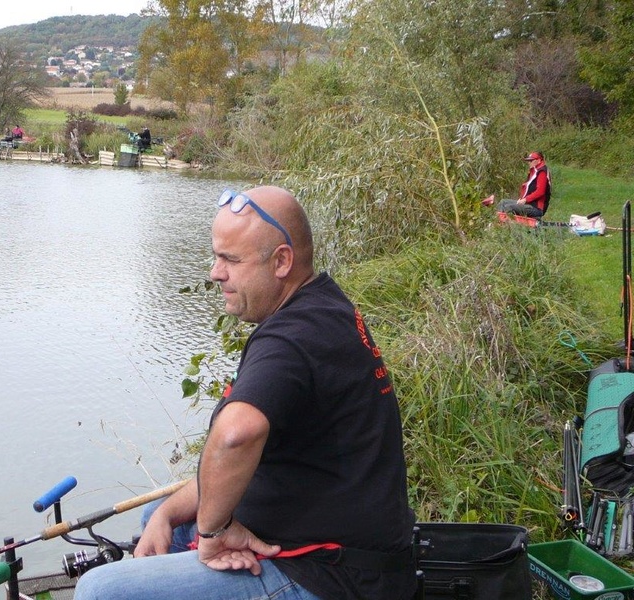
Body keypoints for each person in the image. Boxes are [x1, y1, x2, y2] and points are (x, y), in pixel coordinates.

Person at [74, 186, 417, 600]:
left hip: (333, 578)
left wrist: (216, 532)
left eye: (231, 260)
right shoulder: (321, 306)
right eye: (217, 257)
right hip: (335, 548)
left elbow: (236, 435)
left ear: (281, 261)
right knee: (158, 519)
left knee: (100, 591)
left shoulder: (292, 339)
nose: (216, 272)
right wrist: (167, 512)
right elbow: (230, 461)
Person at [496, 151, 552, 218]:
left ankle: (504, 224)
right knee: (503, 202)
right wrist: (522, 199)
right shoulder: (534, 171)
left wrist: (525, 200)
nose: (529, 163)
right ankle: (498, 222)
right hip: (528, 204)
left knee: (508, 207)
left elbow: (540, 192)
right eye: (528, 161)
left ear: (539, 160)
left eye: (531, 161)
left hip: (536, 208)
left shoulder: (542, 172)